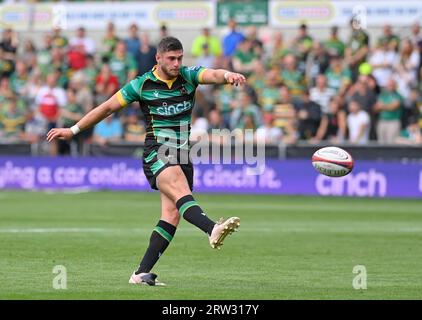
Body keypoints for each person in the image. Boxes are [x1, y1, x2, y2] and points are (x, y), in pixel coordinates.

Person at [46, 37, 245, 286]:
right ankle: (210, 228)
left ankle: (140, 274)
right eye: (171, 58)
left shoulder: (189, 76)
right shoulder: (141, 84)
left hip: (182, 152)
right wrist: (73, 130)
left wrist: (228, 75)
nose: (176, 63)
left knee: (172, 214)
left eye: (180, 58)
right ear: (158, 58)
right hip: (158, 150)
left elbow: (212, 74)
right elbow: (107, 107)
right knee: (181, 193)